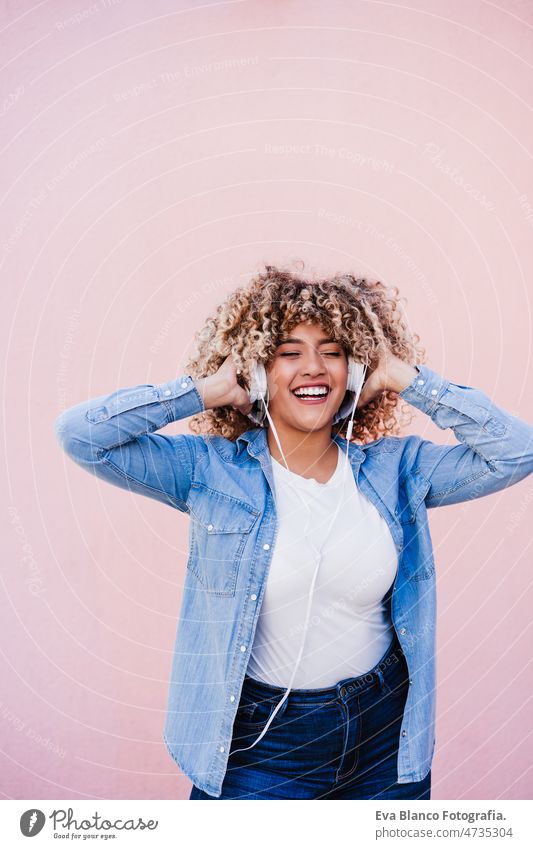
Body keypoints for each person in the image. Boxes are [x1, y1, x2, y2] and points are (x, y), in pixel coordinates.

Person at [54, 264, 533, 800]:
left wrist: (406, 377)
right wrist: (205, 391)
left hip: (381, 738)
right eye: (288, 352)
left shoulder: (398, 470)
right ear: (257, 371)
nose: (314, 368)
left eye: (333, 351)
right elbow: (81, 436)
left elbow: (517, 452)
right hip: (260, 747)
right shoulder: (208, 472)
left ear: (355, 371)